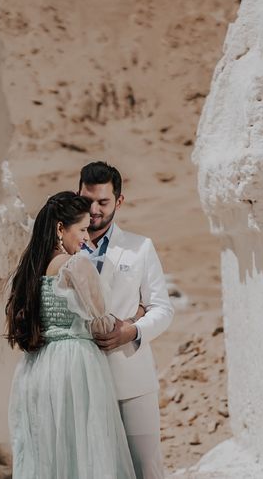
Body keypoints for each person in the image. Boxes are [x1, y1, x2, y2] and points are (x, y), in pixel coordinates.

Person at [6, 191, 139, 479]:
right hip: (75, 367)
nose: (86, 239)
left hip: (38, 367)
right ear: (60, 229)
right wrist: (132, 319)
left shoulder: (31, 269)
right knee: (85, 450)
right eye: (81, 229)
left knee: (50, 453)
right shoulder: (75, 265)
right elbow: (100, 323)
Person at [80, 162, 173, 479]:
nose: (93, 210)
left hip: (132, 380)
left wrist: (133, 330)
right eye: (87, 200)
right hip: (80, 382)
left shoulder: (140, 248)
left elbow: (161, 308)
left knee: (144, 468)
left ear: (119, 201)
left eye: (103, 202)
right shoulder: (61, 249)